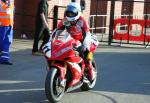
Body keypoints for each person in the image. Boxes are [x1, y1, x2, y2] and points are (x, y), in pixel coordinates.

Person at [55, 2, 96, 86]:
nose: (70, 14)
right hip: (71, 40)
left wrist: (85, 45)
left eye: (72, 12)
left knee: (86, 54)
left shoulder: (82, 20)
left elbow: (87, 34)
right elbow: (57, 31)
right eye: (68, 12)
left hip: (82, 40)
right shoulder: (65, 21)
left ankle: (91, 71)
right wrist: (54, 40)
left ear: (77, 12)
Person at [0, 0, 14, 65]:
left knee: (8, 42)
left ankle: (4, 59)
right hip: (1, 25)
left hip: (9, 25)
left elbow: (12, 12)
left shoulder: (11, 1)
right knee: (1, 41)